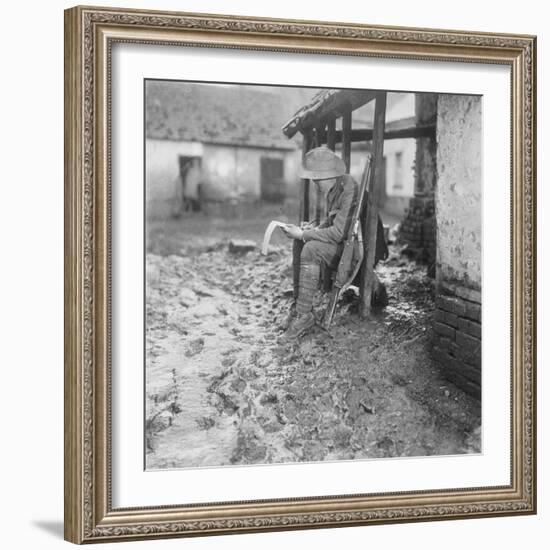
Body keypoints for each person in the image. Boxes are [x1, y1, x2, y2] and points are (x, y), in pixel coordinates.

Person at [281, 145, 359, 339]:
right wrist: (309, 231)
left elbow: (339, 232)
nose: (314, 183)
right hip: (342, 244)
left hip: (354, 250)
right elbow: (332, 222)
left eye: (317, 178)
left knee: (311, 249)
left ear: (329, 174)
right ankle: (300, 307)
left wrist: (304, 235)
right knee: (299, 243)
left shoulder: (349, 189)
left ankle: (305, 316)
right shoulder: (335, 188)